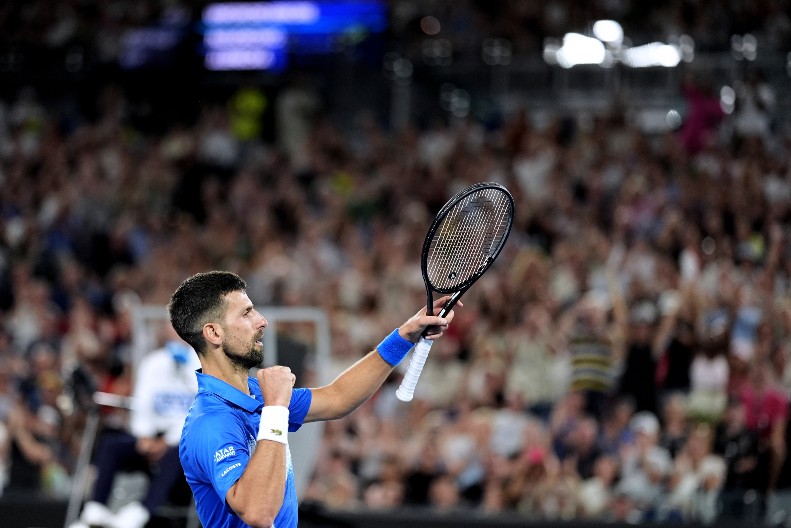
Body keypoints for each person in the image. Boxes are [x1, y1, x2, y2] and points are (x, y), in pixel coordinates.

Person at [168, 270, 455, 528]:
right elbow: (258, 513)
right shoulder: (210, 423)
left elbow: (338, 397)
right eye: (246, 313)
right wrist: (277, 409)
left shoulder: (256, 393)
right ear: (214, 333)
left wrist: (404, 335)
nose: (262, 321)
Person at [69, 323, 200, 528]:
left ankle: (140, 512)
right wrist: (144, 437)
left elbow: (198, 412)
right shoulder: (152, 362)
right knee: (111, 445)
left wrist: (167, 442)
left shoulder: (202, 363)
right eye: (170, 327)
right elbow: (142, 403)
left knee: (176, 454)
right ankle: (95, 509)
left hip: (183, 442)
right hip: (150, 437)